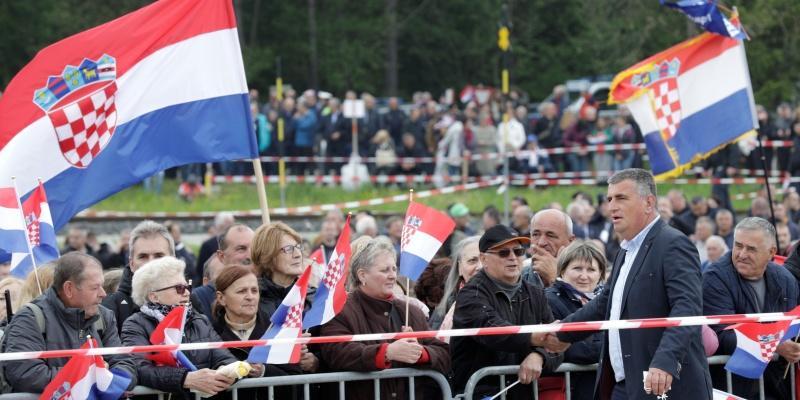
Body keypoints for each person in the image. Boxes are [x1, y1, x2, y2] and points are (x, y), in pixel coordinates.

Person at [554, 168, 712, 400]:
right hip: (625, 385)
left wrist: (665, 361)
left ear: (649, 203)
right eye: (609, 199)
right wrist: (563, 332)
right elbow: (605, 304)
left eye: (621, 198)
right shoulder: (625, 250)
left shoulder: (673, 244)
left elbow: (687, 308)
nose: (611, 207)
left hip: (664, 383)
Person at [318, 237, 449, 400]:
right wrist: (387, 353)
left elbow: (444, 353)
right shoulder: (340, 311)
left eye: (394, 269)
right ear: (362, 275)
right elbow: (337, 352)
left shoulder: (411, 312)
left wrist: (421, 352)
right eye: (385, 270)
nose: (393, 276)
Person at [451, 225, 563, 399]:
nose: (513, 258)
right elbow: (493, 331)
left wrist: (539, 355)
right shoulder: (471, 294)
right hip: (481, 393)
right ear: (484, 259)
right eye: (503, 253)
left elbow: (558, 346)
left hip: (523, 393)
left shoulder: (535, 292)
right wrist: (537, 338)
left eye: (518, 251)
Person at [2, 253, 138, 393]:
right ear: (69, 289)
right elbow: (26, 375)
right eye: (94, 287)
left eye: (102, 286)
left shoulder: (104, 316)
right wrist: (91, 374)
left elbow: (126, 367)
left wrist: (102, 379)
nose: (103, 293)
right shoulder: (30, 318)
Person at [703, 217, 800, 399]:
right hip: (730, 388)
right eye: (738, 245)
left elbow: (793, 326)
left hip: (775, 386)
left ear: (771, 252)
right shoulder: (714, 279)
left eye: (751, 249)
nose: (741, 254)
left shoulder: (786, 280)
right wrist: (775, 345)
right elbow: (721, 335)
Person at [122, 256, 240, 397]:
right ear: (154, 296)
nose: (187, 292)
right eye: (179, 288)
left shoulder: (198, 319)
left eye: (187, 286)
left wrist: (227, 372)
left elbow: (225, 357)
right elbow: (139, 368)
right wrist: (185, 379)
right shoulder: (135, 324)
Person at [211, 265, 300, 399]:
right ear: (221, 298)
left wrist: (264, 371)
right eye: (241, 291)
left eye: (254, 290)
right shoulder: (210, 333)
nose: (250, 297)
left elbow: (296, 379)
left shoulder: (276, 330)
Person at [250, 222, 319, 373]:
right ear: (267, 257)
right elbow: (249, 353)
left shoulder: (313, 298)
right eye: (288, 249)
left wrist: (315, 361)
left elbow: (331, 350)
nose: (297, 254)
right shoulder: (252, 299)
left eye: (298, 247)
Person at [545, 241, 606, 400]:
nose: (584, 276)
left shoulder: (609, 301)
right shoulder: (548, 300)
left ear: (600, 274)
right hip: (571, 390)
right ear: (563, 270)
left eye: (591, 269)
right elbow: (579, 352)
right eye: (577, 268)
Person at [103, 220, 175, 334]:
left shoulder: (189, 301)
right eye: (143, 256)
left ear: (173, 260)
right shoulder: (110, 308)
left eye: (159, 256)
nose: (151, 263)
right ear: (131, 264)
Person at [429, 236, 480, 332]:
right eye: (472, 260)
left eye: (485, 260)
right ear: (460, 268)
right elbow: (433, 343)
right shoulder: (446, 306)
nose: (480, 267)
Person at [521, 209, 576, 288]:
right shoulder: (517, 276)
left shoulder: (585, 275)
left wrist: (555, 277)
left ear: (570, 241)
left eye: (550, 236)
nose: (541, 243)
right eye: (536, 234)